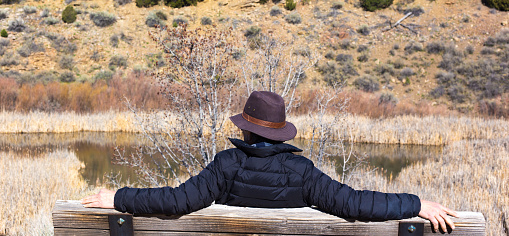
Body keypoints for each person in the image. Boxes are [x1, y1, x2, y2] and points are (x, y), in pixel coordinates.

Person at [82, 91, 457, 232]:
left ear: (245, 130)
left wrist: (118, 197)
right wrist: (417, 204)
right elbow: (355, 204)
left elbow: (177, 201)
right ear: (280, 133)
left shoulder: (226, 165)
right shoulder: (303, 172)